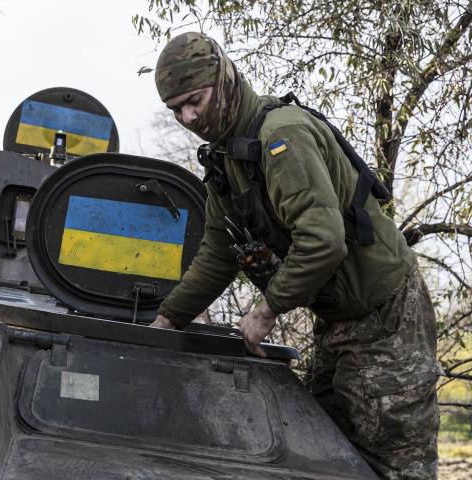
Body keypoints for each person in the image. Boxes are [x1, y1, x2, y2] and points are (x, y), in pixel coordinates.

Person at [148, 32, 440, 480]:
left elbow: (323, 241)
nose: (188, 117)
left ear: (224, 79)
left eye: (195, 100)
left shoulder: (281, 135)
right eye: (177, 109)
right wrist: (167, 321)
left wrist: (268, 310)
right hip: (337, 319)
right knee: (322, 454)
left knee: (392, 464)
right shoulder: (227, 158)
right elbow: (218, 251)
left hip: (386, 315)